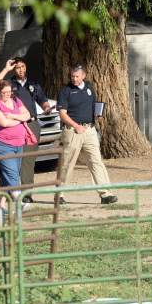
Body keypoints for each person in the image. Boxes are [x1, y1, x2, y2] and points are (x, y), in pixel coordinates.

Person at [0, 58, 52, 203]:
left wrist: (46, 107)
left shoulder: (33, 84)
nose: (20, 70)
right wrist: (6, 69)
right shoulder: (9, 85)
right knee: (11, 169)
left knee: (27, 163)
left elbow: (39, 102)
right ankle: (14, 197)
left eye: (23, 66)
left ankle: (21, 196)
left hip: (30, 126)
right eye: (17, 67)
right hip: (8, 135)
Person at [56, 64, 118, 205]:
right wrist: (75, 126)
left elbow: (93, 105)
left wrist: (97, 114)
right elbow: (62, 114)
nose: (74, 79)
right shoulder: (66, 91)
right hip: (72, 130)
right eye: (72, 76)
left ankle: (106, 194)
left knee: (96, 161)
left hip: (89, 129)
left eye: (77, 76)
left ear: (83, 75)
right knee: (67, 163)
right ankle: (59, 195)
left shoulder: (89, 88)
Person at [0, 79, 31, 211]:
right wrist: (19, 119)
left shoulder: (16, 100)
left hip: (19, 143)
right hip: (3, 144)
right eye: (4, 92)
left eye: (9, 91)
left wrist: (12, 116)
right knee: (11, 174)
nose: (7, 94)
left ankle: (0, 206)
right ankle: (19, 201)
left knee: (8, 175)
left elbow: (28, 115)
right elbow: (4, 123)